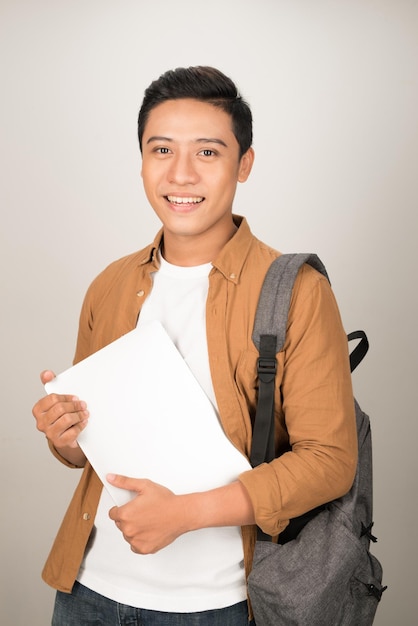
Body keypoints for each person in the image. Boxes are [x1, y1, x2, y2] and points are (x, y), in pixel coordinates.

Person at [32, 66, 357, 626]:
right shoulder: (109, 285)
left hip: (215, 606)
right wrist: (65, 436)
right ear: (141, 159)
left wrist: (187, 514)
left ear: (244, 164)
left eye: (207, 152)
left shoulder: (297, 291)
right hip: (86, 591)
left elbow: (330, 461)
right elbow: (89, 450)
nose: (180, 174)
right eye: (161, 149)